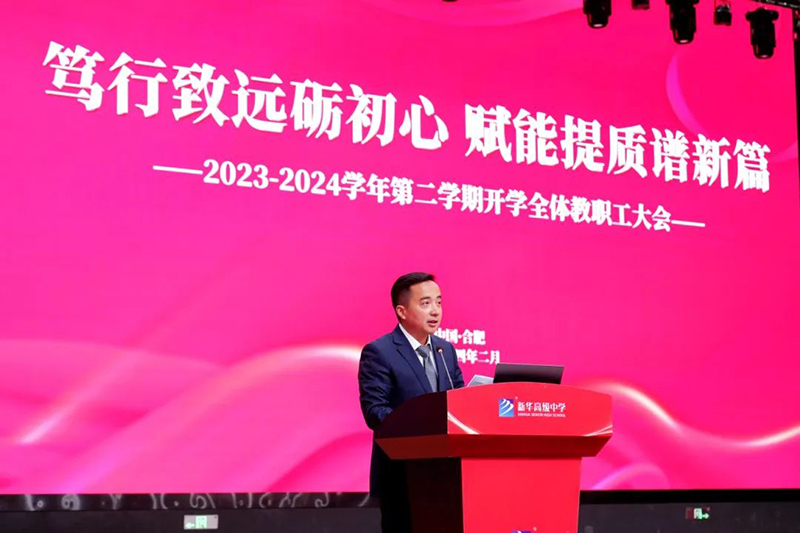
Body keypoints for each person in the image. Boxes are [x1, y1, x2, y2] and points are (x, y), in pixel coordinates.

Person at [358, 272, 465, 533]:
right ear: (402, 311)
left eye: (439, 302)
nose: (435, 311)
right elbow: (375, 411)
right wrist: (421, 425)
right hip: (402, 475)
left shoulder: (445, 350)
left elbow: (460, 400)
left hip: (447, 474)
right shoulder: (380, 351)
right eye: (425, 303)